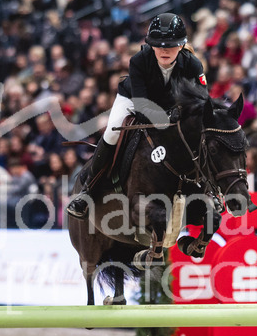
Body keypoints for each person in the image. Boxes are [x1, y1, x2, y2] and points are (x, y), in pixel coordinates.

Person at [66, 13, 207, 219]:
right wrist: (166, 118)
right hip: (133, 100)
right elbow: (141, 104)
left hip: (172, 109)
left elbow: (202, 102)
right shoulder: (139, 60)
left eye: (171, 45)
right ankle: (87, 191)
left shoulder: (193, 65)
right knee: (113, 132)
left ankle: (209, 192)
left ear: (181, 45)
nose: (165, 50)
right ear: (151, 45)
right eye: (159, 45)